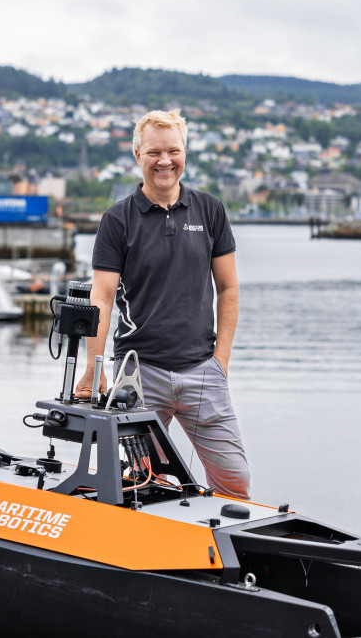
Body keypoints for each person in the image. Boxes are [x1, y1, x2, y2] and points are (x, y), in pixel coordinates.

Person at [75, 108, 250, 499]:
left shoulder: (210, 210)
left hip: (203, 370)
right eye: (154, 152)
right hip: (140, 373)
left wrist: (221, 360)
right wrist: (94, 367)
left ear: (185, 152)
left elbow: (228, 288)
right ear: (138, 155)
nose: (165, 161)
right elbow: (101, 297)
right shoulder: (117, 220)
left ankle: (218, 538)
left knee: (235, 482)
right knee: (145, 485)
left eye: (173, 151)